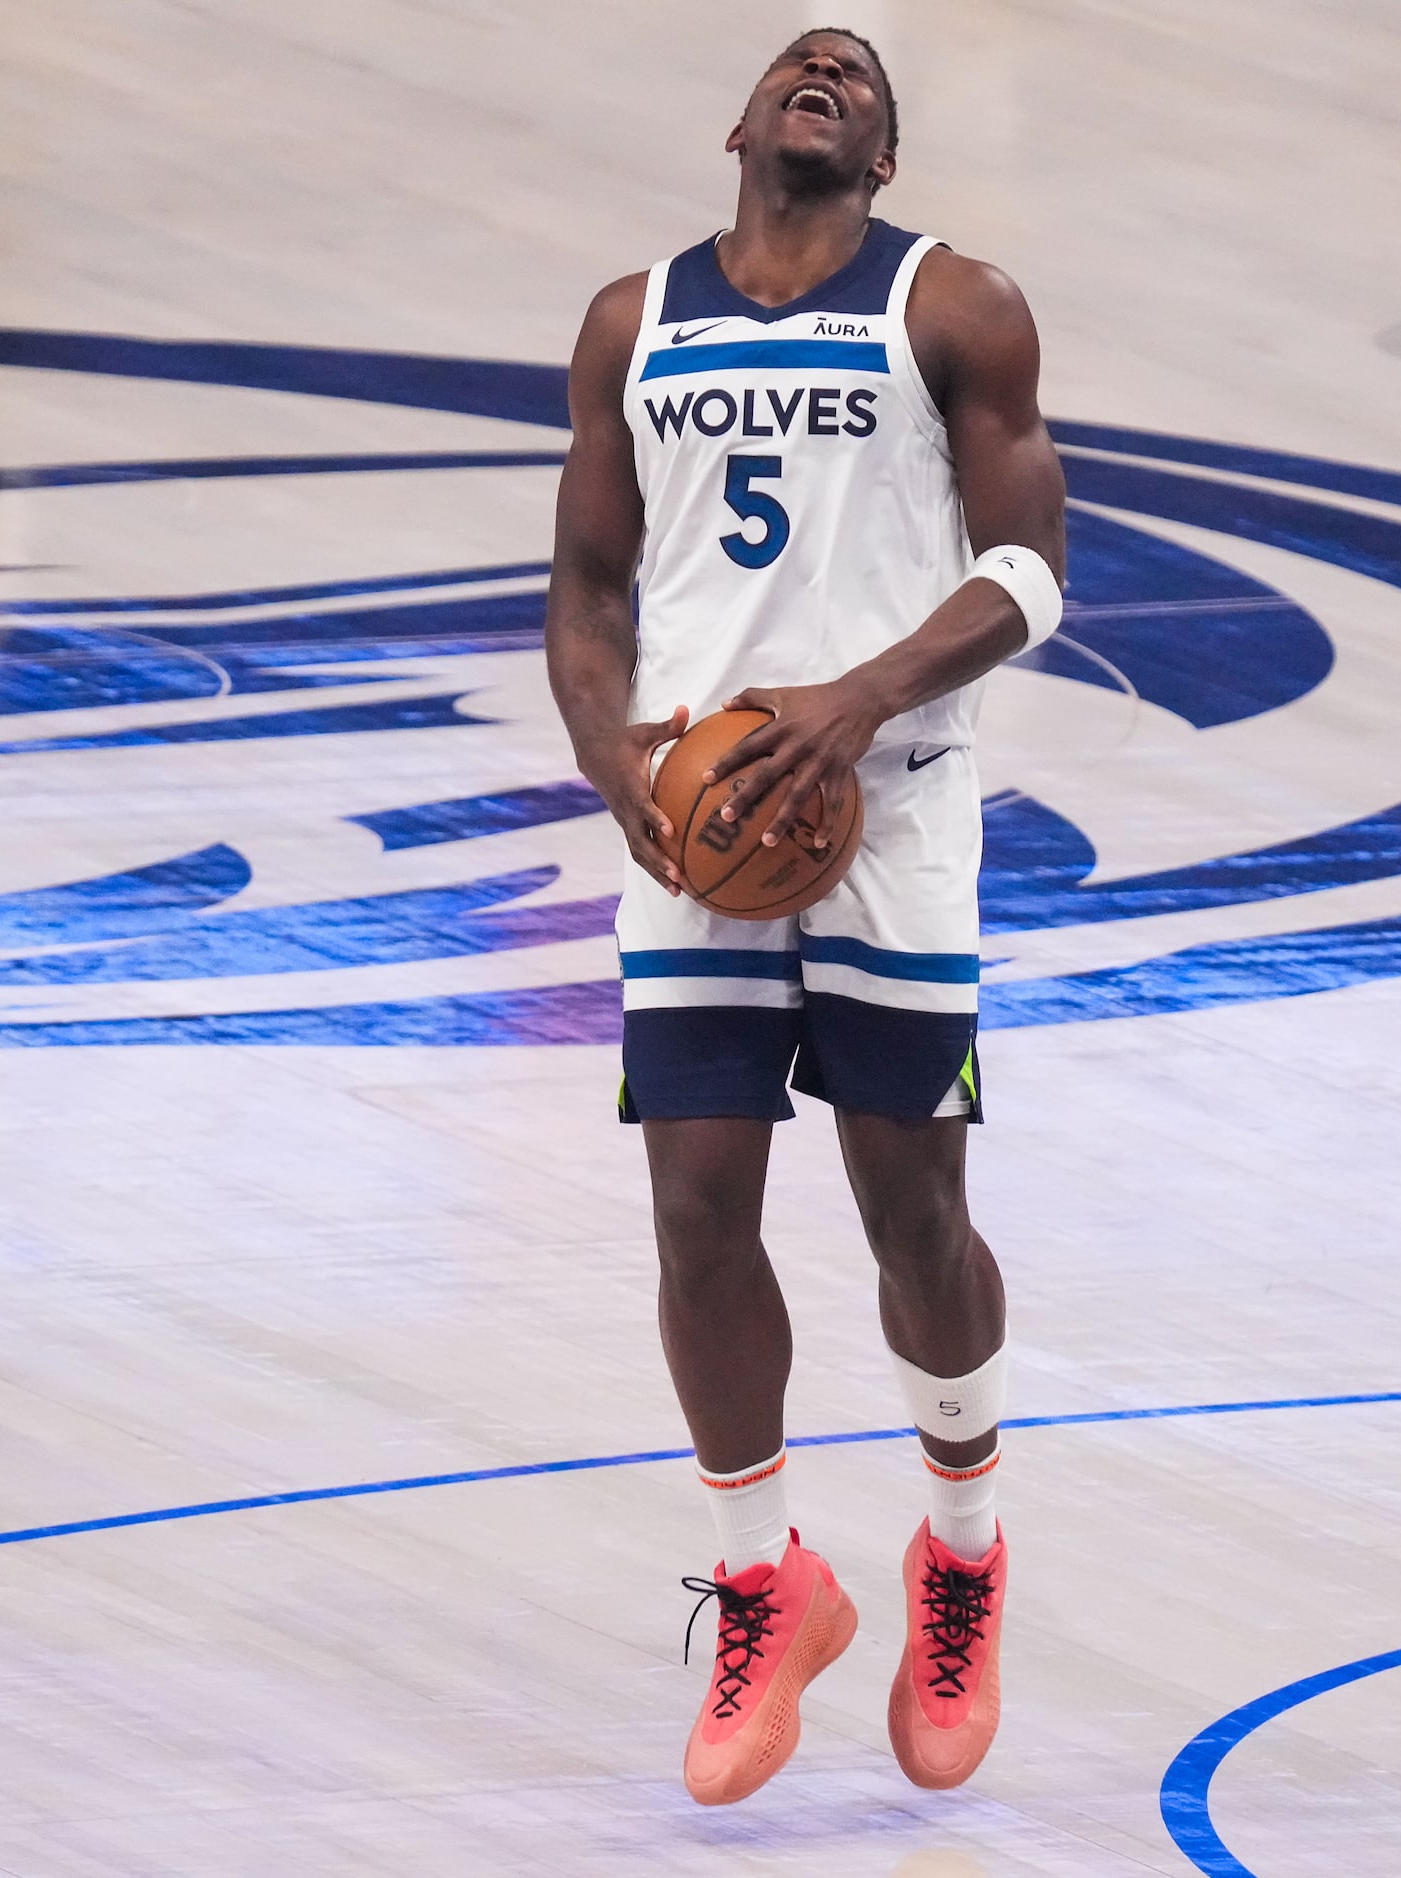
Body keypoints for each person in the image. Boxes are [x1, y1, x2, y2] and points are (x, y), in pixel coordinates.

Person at [543, 25, 1066, 1805]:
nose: (824, 68)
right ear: (741, 123)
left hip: (893, 811)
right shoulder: (636, 320)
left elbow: (1030, 565)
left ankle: (964, 1550)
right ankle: (772, 1583)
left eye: (858, 73)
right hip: (700, 829)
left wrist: (852, 698)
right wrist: (621, 767)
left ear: (887, 157)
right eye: (796, 61)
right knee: (695, 1216)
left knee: (912, 1211)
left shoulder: (956, 306)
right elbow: (589, 578)